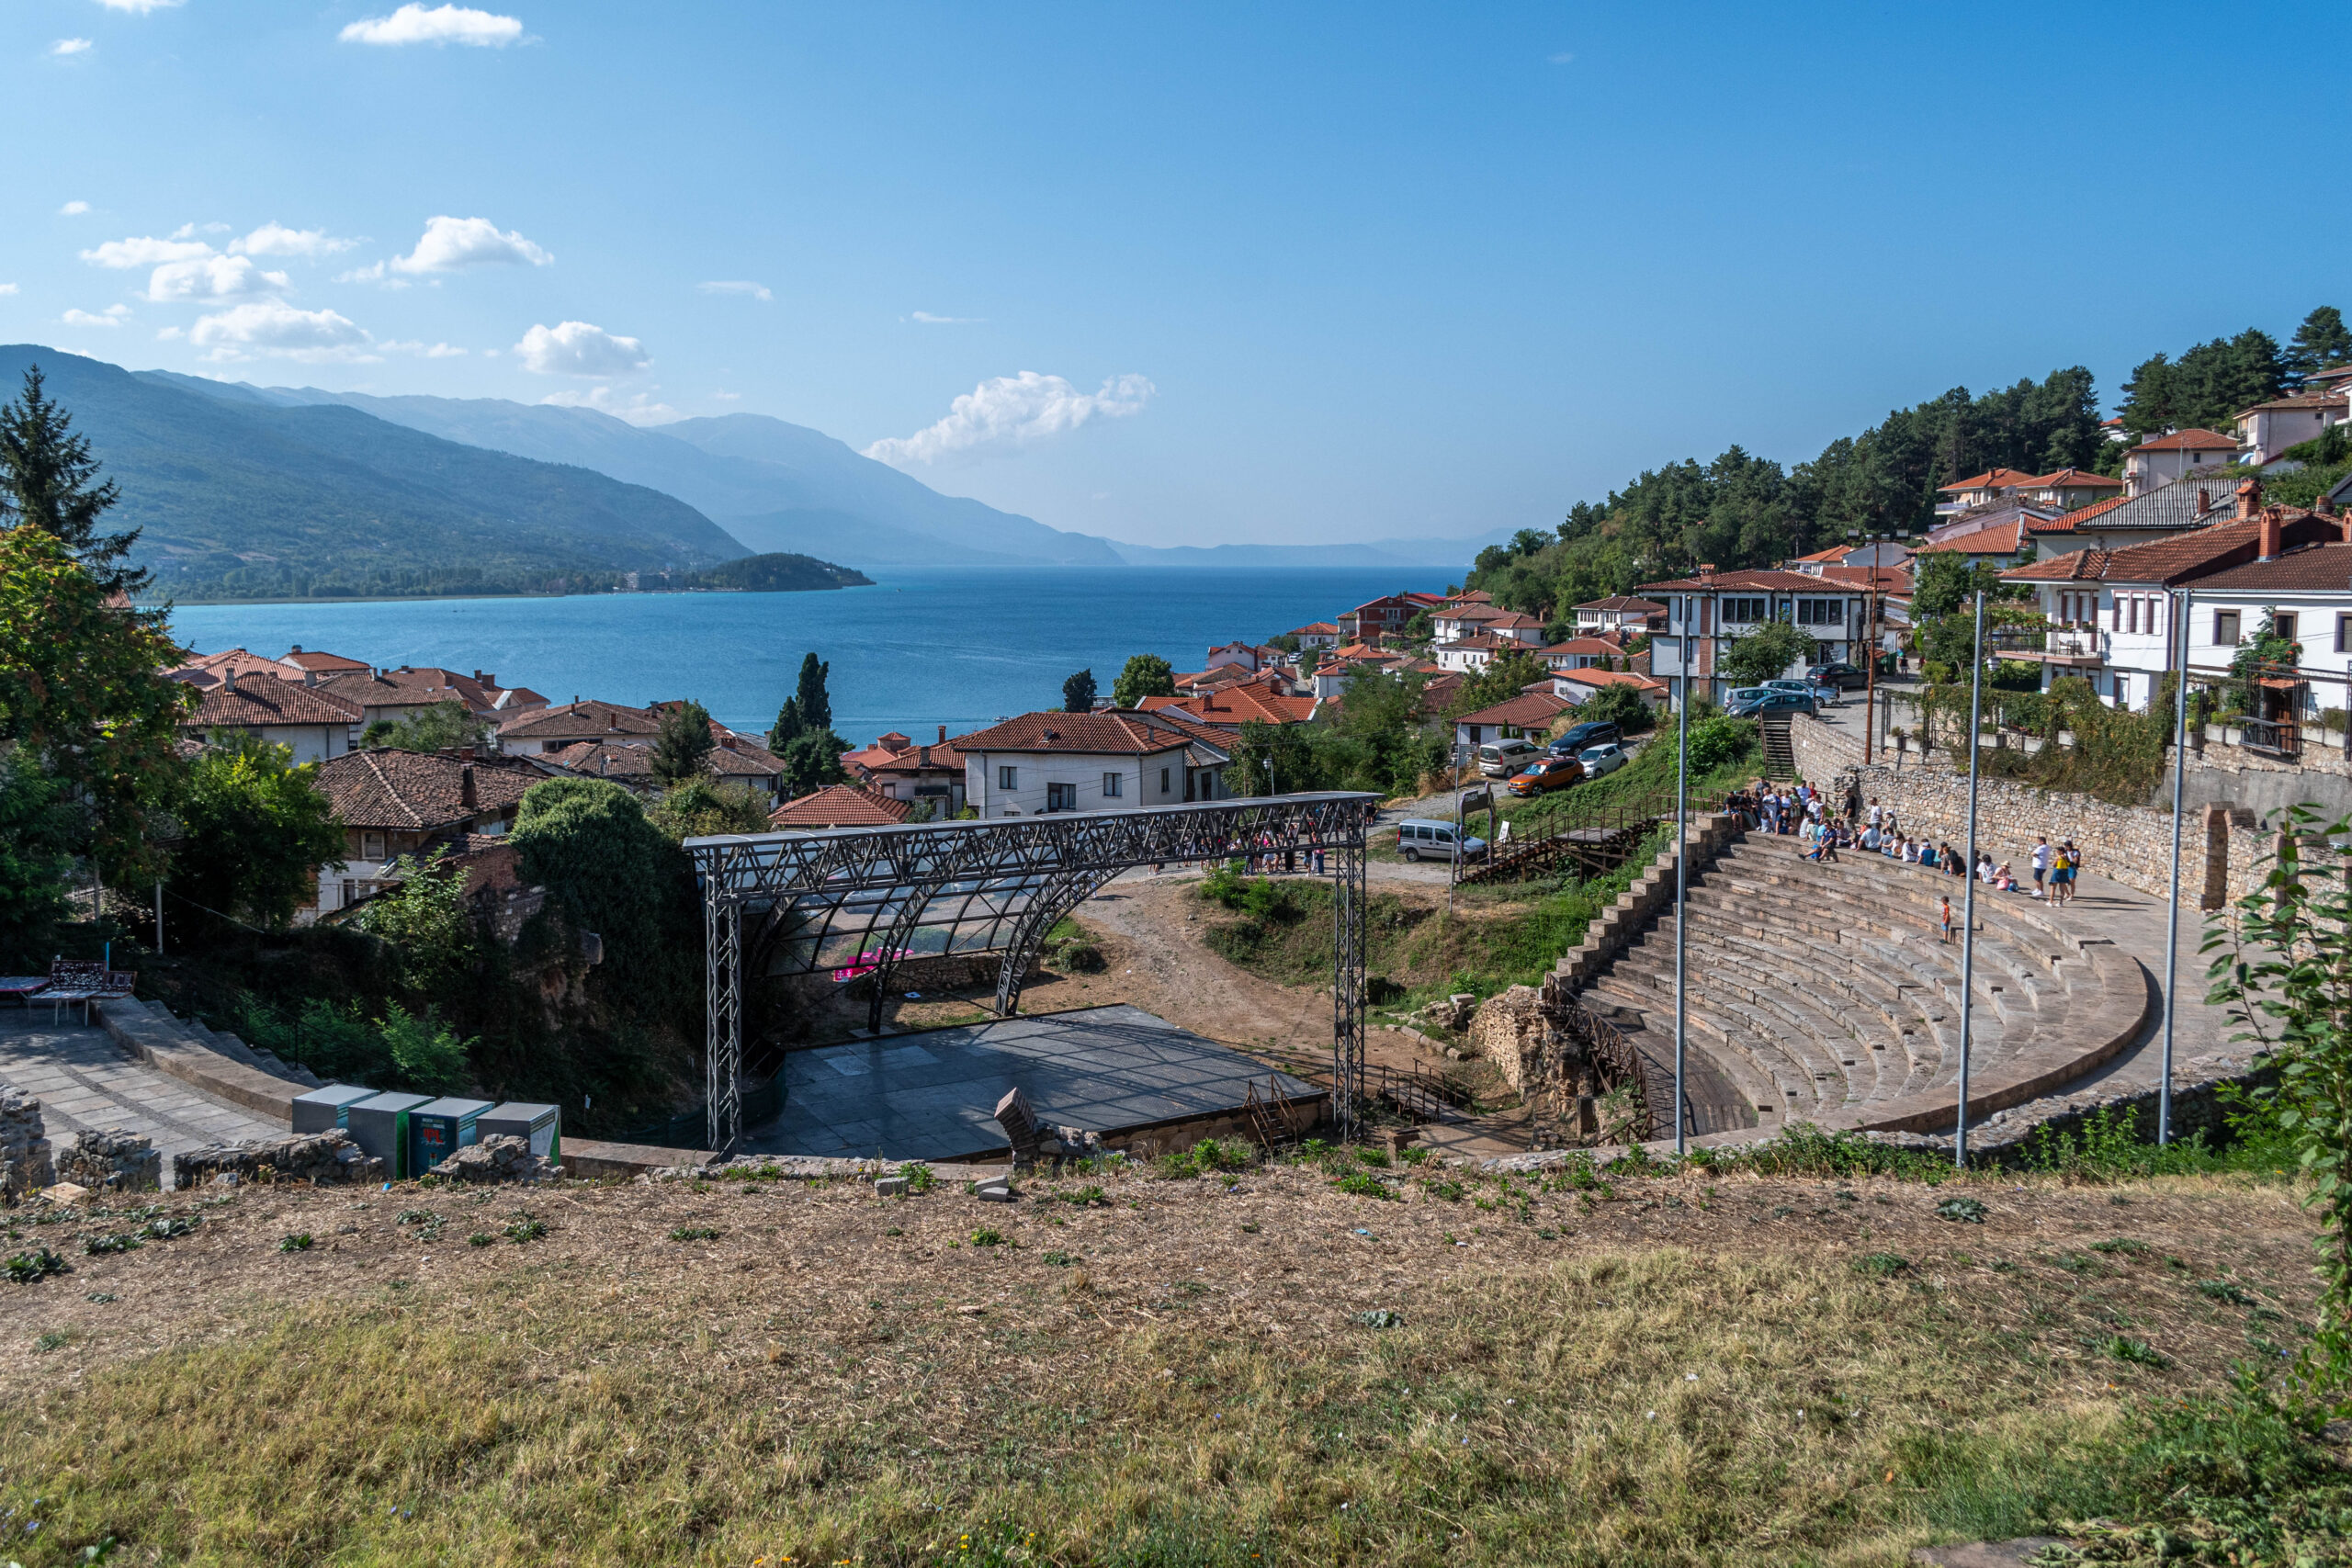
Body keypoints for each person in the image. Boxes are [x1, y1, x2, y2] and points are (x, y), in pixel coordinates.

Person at [2030, 835, 2052, 899]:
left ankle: (2041, 891)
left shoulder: (2042, 847)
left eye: (2039, 841)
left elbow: (2033, 853)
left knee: (2039, 879)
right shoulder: (2047, 847)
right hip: (2041, 865)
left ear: (2042, 842)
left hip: (2039, 865)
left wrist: (2035, 855)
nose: (2038, 842)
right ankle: (2038, 889)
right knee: (2036, 878)